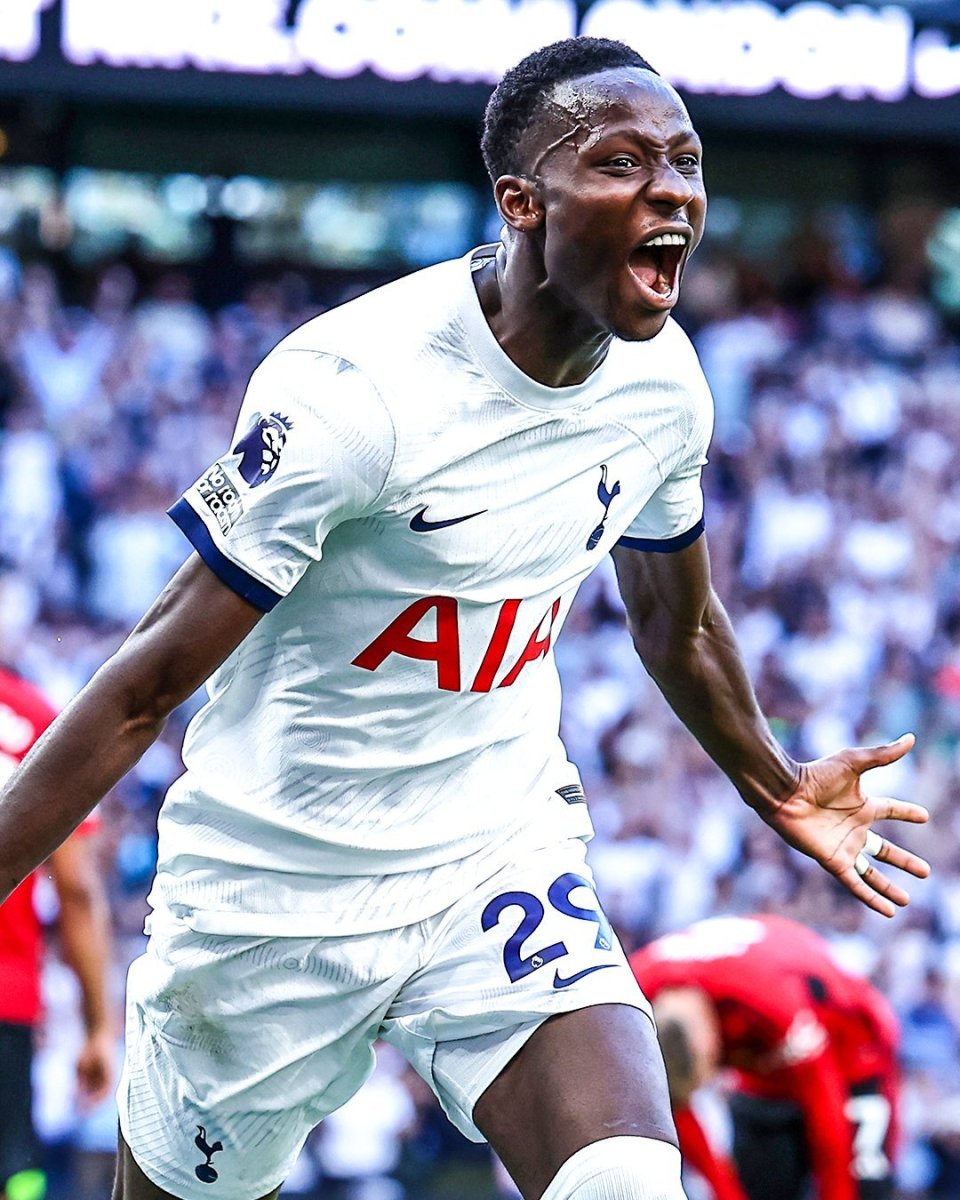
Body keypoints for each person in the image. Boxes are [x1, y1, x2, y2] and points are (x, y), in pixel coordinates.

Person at [0, 35, 931, 1200]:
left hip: (493, 851)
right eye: (624, 162)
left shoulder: (663, 387)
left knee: (627, 1182)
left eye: (686, 163)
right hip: (273, 884)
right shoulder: (357, 392)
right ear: (522, 201)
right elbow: (143, 686)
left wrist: (774, 783)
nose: (674, 194)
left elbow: (677, 622)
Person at [630, 914, 901, 1200]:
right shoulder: (633, 990)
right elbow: (674, 1101)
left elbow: (825, 1104)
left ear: (711, 1046)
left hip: (853, 1047)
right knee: (762, 1186)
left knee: (863, 1186)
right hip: (764, 1061)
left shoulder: (769, 1001)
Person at [0, 666, 114, 1200]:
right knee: (15, 1176)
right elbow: (77, 890)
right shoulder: (33, 719)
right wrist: (98, 1028)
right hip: (5, 1002)